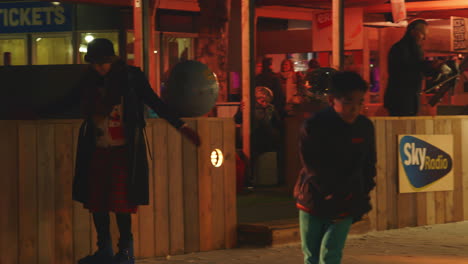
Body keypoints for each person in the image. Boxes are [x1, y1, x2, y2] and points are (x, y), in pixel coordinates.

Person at [73, 38, 200, 264]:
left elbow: (154, 102)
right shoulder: (89, 80)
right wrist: (34, 110)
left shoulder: (131, 77)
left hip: (124, 149)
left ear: (112, 59)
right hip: (98, 147)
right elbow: (68, 100)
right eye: (94, 63)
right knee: (97, 202)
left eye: (103, 62)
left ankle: (126, 251)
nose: (99, 67)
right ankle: (104, 250)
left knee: (121, 203)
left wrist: (180, 125)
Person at [294, 71, 376, 264]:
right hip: (313, 198)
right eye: (348, 101)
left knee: (331, 254)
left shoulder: (364, 127)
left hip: (347, 199)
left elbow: (369, 162)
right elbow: (312, 164)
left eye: (360, 102)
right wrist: (331, 192)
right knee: (312, 256)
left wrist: (363, 191)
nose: (355, 108)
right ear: (332, 100)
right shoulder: (315, 126)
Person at [384, 19, 442, 116]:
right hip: (401, 98)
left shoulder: (412, 48)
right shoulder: (401, 48)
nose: (424, 38)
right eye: (422, 34)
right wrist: (429, 66)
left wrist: (432, 68)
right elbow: (407, 68)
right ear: (413, 32)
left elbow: (417, 67)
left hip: (407, 97)